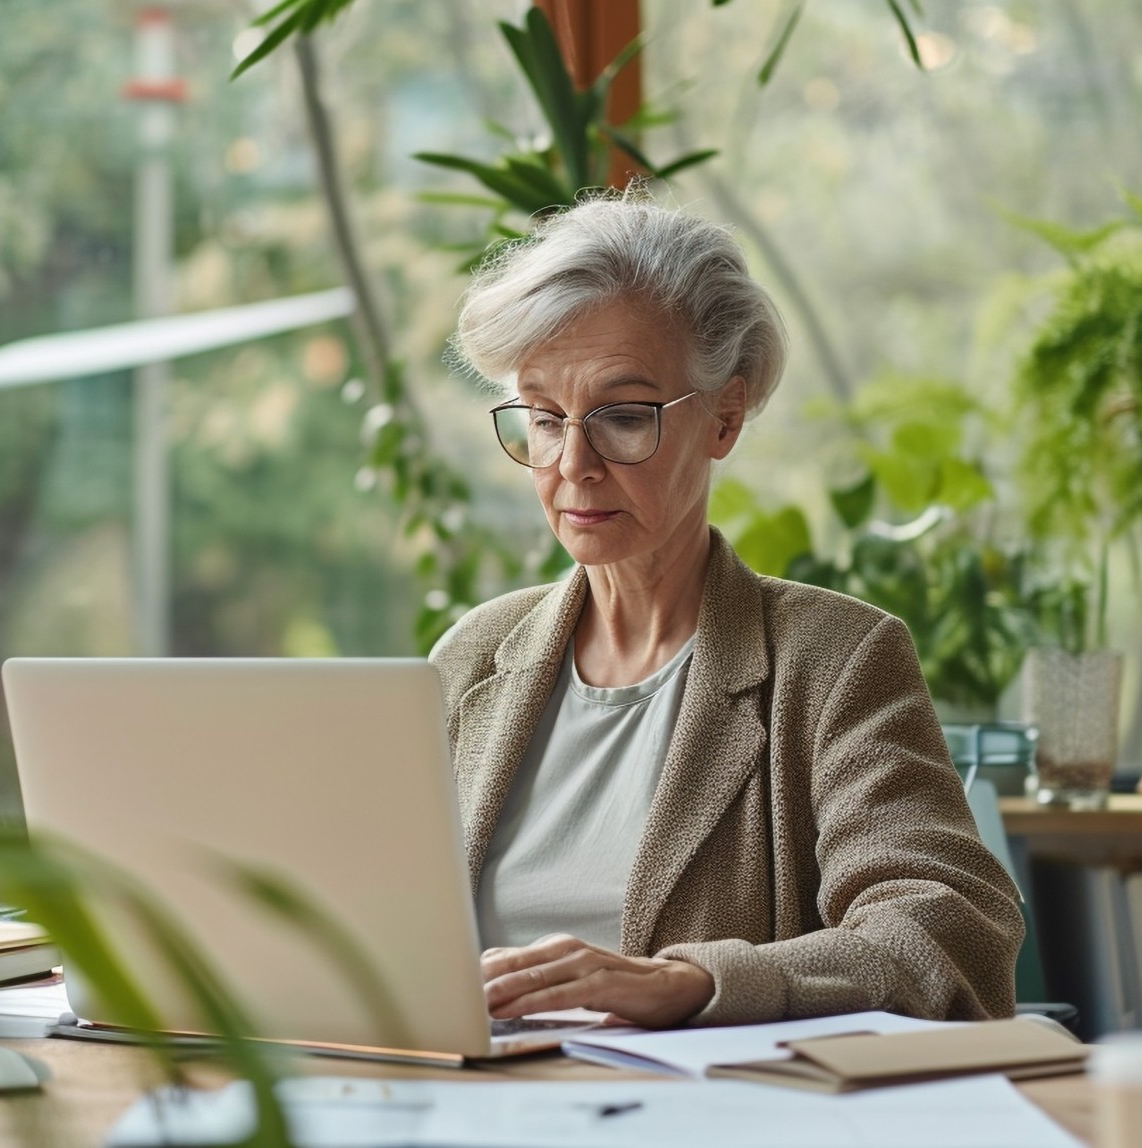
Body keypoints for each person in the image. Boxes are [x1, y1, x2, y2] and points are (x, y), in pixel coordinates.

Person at [431, 195, 1023, 1030]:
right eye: (542, 417)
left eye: (624, 417)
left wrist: (691, 983)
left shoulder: (834, 660)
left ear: (726, 416)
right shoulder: (472, 657)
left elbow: (944, 934)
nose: (573, 465)